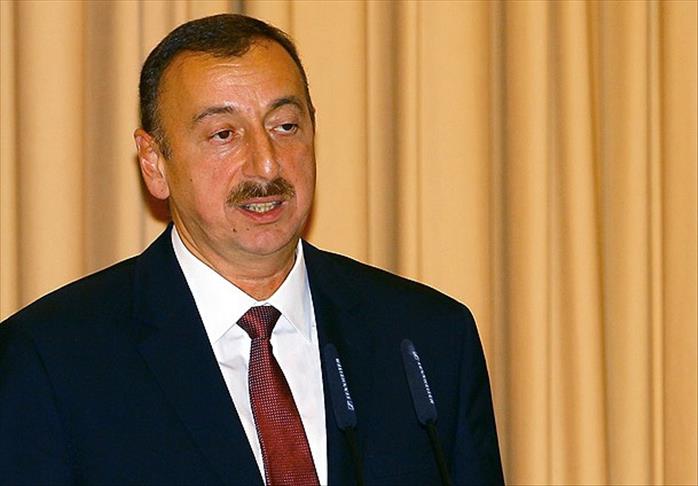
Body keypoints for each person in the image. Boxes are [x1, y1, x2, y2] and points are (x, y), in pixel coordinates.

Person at [0, 14, 504, 485]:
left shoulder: (427, 338)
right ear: (154, 163)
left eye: (285, 127)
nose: (266, 165)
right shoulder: (52, 361)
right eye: (224, 134)